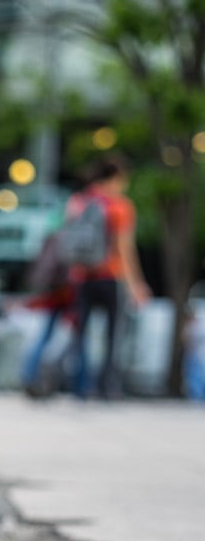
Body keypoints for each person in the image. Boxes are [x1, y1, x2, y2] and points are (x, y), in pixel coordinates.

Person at [69, 155, 150, 399]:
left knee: (79, 333)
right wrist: (136, 283)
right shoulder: (120, 206)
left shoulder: (80, 201)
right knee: (113, 336)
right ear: (117, 177)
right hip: (111, 276)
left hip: (82, 275)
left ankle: (77, 385)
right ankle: (107, 388)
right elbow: (125, 248)